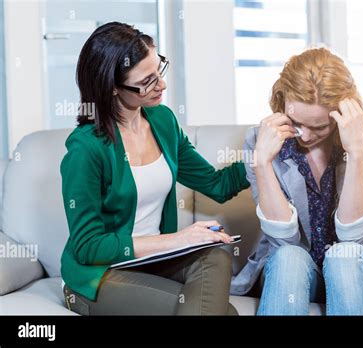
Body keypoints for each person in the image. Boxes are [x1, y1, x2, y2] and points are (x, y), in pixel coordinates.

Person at [60, 22, 249, 315]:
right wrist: (178, 239)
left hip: (152, 264)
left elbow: (217, 185)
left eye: (158, 70)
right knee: (223, 313)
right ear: (111, 88)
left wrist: (262, 155)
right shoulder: (86, 149)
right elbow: (87, 246)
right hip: (98, 276)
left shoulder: (163, 121)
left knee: (216, 257)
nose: (162, 85)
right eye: (147, 81)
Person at [231, 47, 363, 315]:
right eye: (297, 123)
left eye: (319, 127)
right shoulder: (262, 139)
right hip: (298, 269)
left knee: (343, 257)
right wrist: (263, 163)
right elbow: (283, 240)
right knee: (289, 257)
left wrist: (356, 152)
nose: (304, 136)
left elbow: (354, 236)